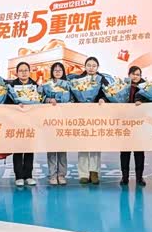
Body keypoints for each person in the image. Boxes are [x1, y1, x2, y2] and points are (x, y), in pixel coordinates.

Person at [72, 57, 109, 185]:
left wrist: (103, 99)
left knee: (95, 143)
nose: (91, 68)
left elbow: (109, 93)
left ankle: (94, 172)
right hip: (81, 115)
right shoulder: (77, 79)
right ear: (85, 66)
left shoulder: (102, 79)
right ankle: (83, 173)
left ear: (97, 67)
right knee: (82, 144)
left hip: (97, 115)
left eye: (94, 65)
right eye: (89, 65)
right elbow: (73, 95)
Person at [7, 62, 38, 187]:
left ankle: (28, 175)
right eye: (21, 70)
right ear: (17, 72)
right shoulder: (11, 86)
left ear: (29, 72)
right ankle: (19, 176)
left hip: (30, 121)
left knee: (30, 148)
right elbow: (7, 102)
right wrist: (16, 105)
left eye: (26, 70)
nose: (23, 73)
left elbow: (39, 101)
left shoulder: (35, 85)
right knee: (18, 149)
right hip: (16, 121)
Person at [120, 66, 146, 186]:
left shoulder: (146, 87)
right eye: (133, 74)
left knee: (139, 152)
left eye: (138, 74)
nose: (135, 76)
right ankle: (124, 177)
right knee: (125, 151)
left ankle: (139, 178)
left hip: (139, 124)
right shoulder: (123, 86)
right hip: (125, 123)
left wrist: (142, 102)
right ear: (129, 74)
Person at [46, 62, 70, 186]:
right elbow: (40, 97)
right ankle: (52, 175)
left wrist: (68, 102)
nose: (57, 72)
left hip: (63, 120)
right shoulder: (46, 84)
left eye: (60, 70)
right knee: (51, 148)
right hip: (50, 120)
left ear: (63, 72)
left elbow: (73, 99)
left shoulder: (68, 84)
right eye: (55, 70)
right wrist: (48, 99)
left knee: (62, 148)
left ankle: (61, 175)